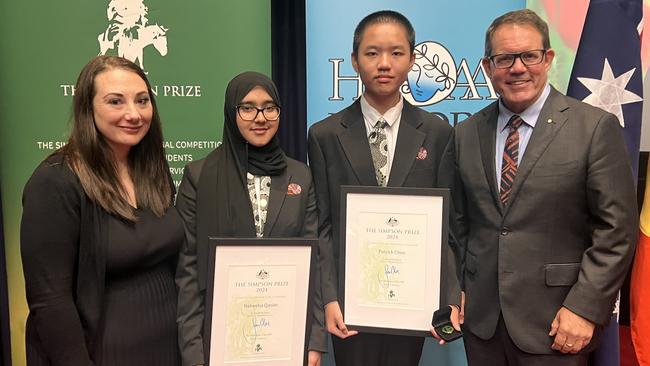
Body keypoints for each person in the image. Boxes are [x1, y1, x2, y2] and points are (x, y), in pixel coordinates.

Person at [443, 8, 638, 365]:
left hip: (558, 325)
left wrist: (584, 308)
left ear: (547, 58)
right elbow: (457, 225)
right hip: (483, 326)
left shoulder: (593, 128)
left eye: (529, 56)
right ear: (488, 68)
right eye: (504, 59)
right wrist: (454, 291)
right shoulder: (466, 134)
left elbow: (616, 231)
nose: (518, 68)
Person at [308, 10, 454, 366]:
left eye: (396, 52)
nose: (384, 64)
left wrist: (450, 297)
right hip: (350, 301)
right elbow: (322, 226)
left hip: (413, 299)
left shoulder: (438, 134)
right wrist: (329, 298)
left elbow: (448, 227)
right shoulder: (325, 135)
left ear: (412, 60)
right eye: (372, 53)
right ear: (355, 61)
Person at [20, 55, 182, 365]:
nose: (133, 114)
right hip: (102, 354)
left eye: (142, 100)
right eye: (115, 102)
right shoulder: (54, 181)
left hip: (167, 348)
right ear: (87, 108)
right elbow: (50, 301)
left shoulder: (152, 168)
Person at [175, 71, 326, 366]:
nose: (261, 117)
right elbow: (188, 272)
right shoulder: (200, 176)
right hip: (220, 336)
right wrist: (194, 354)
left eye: (270, 107)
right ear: (232, 113)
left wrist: (314, 341)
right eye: (248, 107)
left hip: (285, 333)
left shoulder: (300, 175)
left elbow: (314, 262)